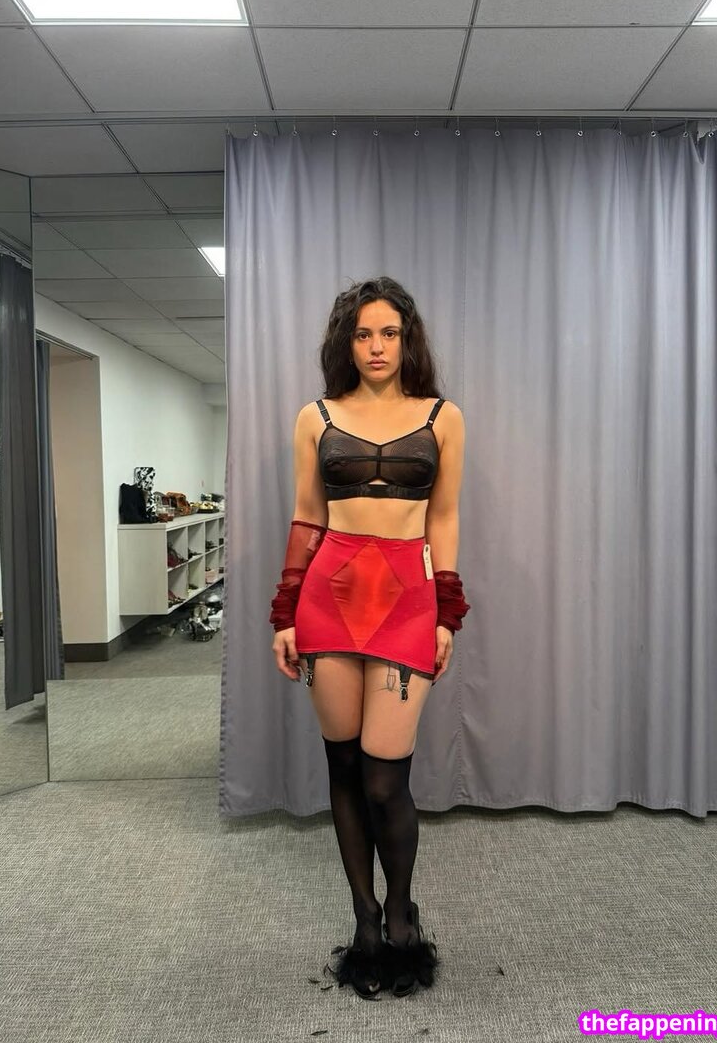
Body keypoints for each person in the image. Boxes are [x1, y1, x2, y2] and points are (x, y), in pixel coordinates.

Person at [270, 276, 470, 1000]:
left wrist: (446, 611)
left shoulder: (442, 417)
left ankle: (402, 914)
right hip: (328, 599)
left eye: (389, 333)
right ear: (346, 343)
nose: (376, 347)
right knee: (346, 767)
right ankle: (364, 920)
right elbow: (306, 516)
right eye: (363, 334)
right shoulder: (316, 416)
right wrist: (285, 611)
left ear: (406, 339)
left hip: (407, 602)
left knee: (387, 777)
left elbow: (442, 517)